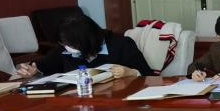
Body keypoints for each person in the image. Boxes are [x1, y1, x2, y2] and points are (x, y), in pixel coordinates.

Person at [15, 14, 151, 78]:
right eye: (63, 43)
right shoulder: (64, 49)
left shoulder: (121, 44)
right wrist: (32, 70)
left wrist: (131, 72)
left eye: (70, 44)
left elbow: (147, 75)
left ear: (87, 41)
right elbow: (42, 66)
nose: (67, 47)